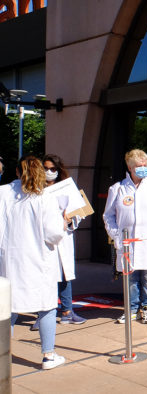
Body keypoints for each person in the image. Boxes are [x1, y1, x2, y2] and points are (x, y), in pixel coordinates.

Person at [0, 156, 69, 370]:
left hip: (9, 258)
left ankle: (1, 354)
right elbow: (54, 234)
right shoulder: (45, 198)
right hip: (39, 259)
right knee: (46, 306)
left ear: (18, 172)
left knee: (8, 307)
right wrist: (64, 223)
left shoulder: (3, 193)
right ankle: (48, 355)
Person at [104, 149, 147, 324]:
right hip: (126, 243)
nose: (143, 168)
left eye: (145, 165)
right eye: (139, 165)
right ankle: (131, 310)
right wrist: (116, 236)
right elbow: (108, 216)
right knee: (130, 280)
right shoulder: (118, 188)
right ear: (130, 167)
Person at [30, 155, 87, 330]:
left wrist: (70, 219)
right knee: (45, 277)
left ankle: (67, 312)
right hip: (43, 239)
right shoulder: (35, 190)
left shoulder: (67, 188)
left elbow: (79, 212)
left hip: (63, 237)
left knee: (64, 275)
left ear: (58, 170)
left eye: (53, 169)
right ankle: (43, 315)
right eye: (46, 168)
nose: (49, 172)